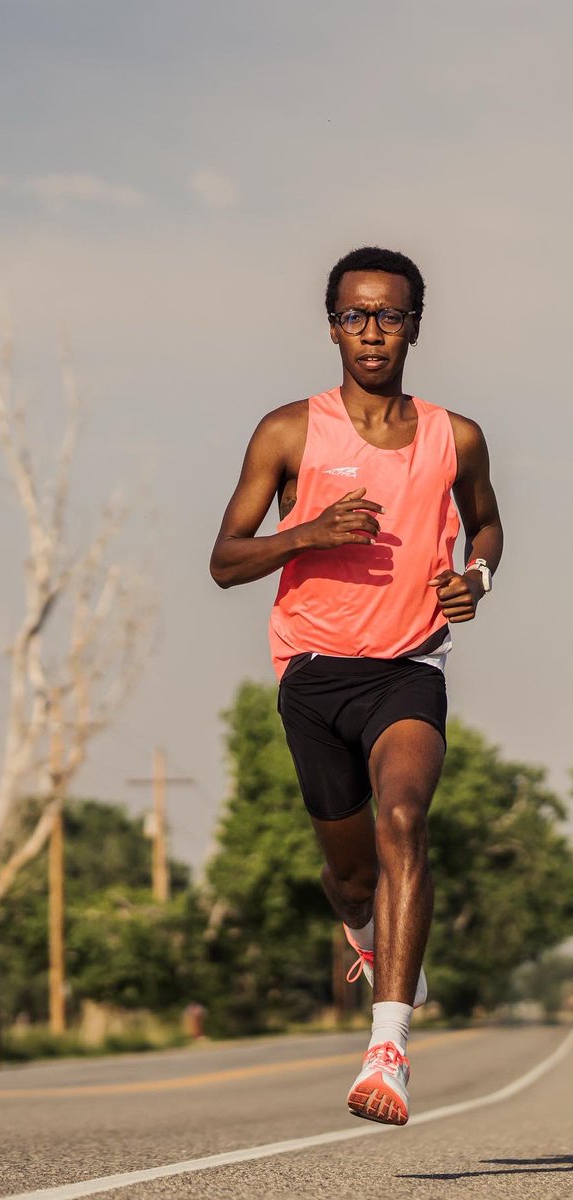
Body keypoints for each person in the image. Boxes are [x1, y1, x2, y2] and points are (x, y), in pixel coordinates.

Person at [209, 246, 503, 1125]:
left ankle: (389, 1048)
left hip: (409, 667)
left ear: (417, 323)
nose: (372, 331)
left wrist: (475, 580)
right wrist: (307, 534)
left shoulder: (457, 437)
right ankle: (367, 935)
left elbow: (486, 527)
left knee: (403, 821)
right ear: (331, 322)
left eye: (390, 315)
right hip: (312, 676)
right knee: (348, 880)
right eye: (354, 315)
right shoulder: (289, 432)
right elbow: (225, 561)